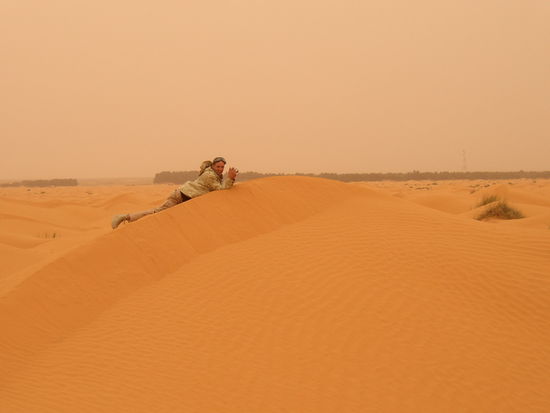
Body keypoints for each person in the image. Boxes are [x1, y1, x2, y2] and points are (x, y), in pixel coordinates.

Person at [111, 157, 238, 229]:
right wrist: (230, 179)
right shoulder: (210, 175)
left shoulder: (215, 176)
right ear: (213, 166)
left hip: (185, 197)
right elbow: (220, 190)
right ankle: (125, 217)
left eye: (222, 167)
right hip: (181, 196)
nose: (220, 169)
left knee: (161, 215)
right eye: (218, 167)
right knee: (156, 213)